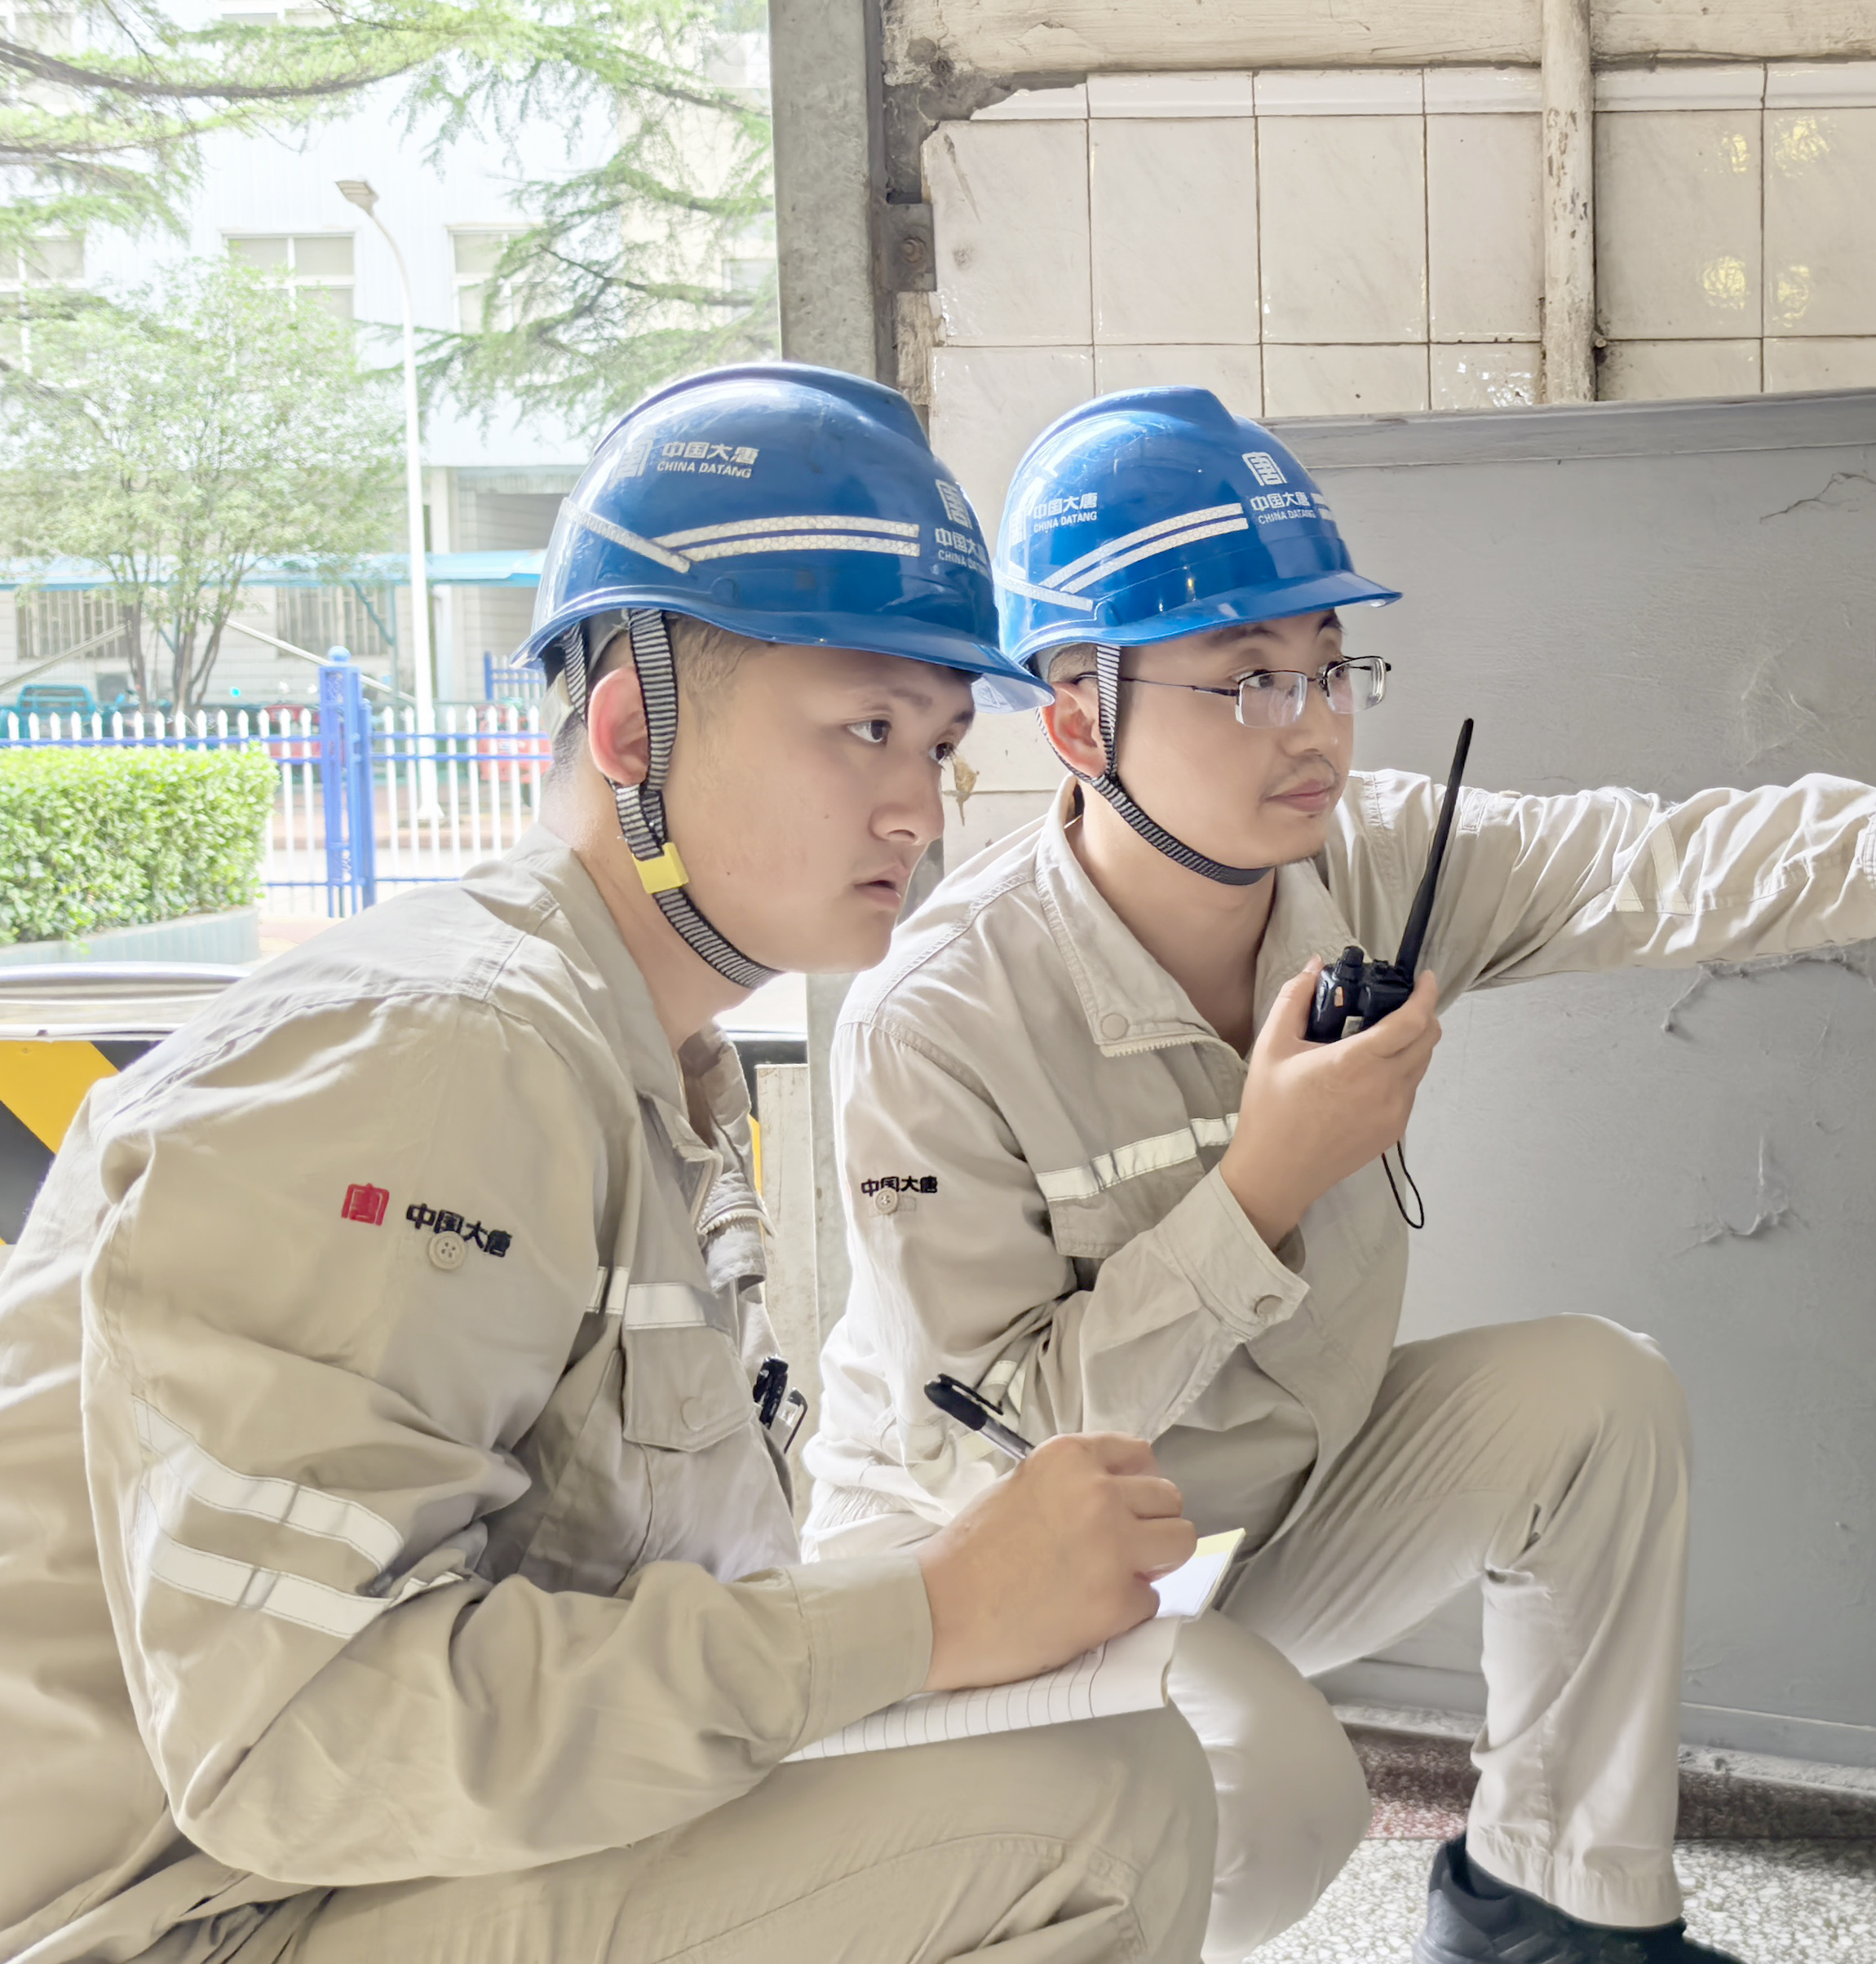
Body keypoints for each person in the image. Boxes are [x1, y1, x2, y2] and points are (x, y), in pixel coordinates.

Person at [799, 385, 1876, 1964]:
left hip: (1253, 1517)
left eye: (1329, 667)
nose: (1312, 725)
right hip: (1002, 1584)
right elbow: (995, 1454)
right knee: (1274, 1804)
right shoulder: (939, 1016)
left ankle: (1549, 1914)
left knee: (1591, 1399)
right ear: (1081, 723)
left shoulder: (1372, 861)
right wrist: (1258, 1192)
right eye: (1244, 678)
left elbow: (1662, 859)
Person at [0, 365, 1214, 1964]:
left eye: (937, 745)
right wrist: (924, 1616)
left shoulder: (641, 1066)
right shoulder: (444, 1053)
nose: (918, 810)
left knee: (1177, 1761)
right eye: (865, 727)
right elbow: (301, 1739)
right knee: (1094, 1808)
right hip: (189, 1918)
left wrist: (929, 1610)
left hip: (354, 1880)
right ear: (634, 729)